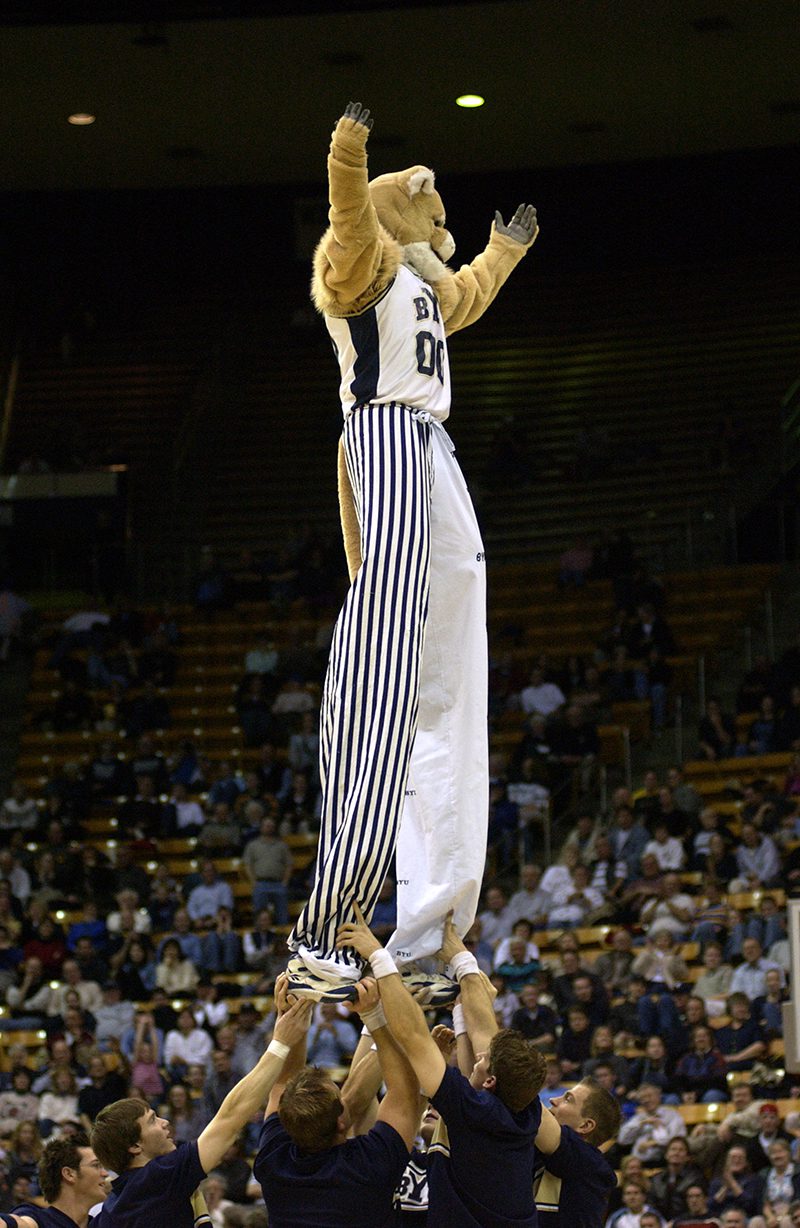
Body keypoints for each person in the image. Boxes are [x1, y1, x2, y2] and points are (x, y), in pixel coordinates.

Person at [287, 99, 538, 1002]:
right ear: (405, 213)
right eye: (432, 220)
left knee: (456, 650)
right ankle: (327, 928)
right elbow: (350, 218)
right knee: (390, 647)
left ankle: (428, 931)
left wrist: (502, 255)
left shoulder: (425, 285)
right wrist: (347, 148)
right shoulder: (359, 269)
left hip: (435, 450)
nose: (445, 234)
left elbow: (463, 295)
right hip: (386, 435)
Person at [336, 903, 547, 1227]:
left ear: (489, 1083)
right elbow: (483, 1042)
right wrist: (464, 999)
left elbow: (415, 1041)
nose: (477, 1060)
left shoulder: (471, 1113)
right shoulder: (524, 1110)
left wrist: (381, 969)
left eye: (482, 1063)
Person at [90, 987, 312, 1228]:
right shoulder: (158, 1176)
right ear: (134, 1146)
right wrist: (279, 1043)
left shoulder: (111, 1210)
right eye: (152, 1120)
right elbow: (230, 1119)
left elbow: (281, 1089)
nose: (165, 1122)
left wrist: (291, 1030)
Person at [253, 977, 419, 1227]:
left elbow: (282, 1082)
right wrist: (378, 1015)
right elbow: (402, 1093)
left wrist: (294, 1010)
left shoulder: (274, 1163)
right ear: (341, 1121)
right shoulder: (368, 1164)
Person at [532, 1077, 622, 1228]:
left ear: (585, 1125)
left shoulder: (591, 1164)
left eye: (568, 1099)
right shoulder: (538, 1148)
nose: (554, 1100)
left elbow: (525, 1103)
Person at [8, 1132, 110, 1228]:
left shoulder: (103, 1223)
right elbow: (21, 1223)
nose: (105, 1174)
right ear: (69, 1174)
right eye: (96, 1165)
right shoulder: (39, 1220)